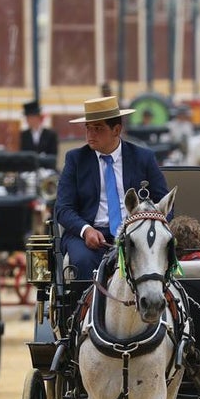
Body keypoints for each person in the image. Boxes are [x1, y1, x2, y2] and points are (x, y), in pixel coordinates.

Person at [55, 95, 169, 280]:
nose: (90, 135)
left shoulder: (143, 157)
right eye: (88, 128)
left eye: (98, 129)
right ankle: (85, 309)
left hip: (135, 233)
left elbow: (163, 203)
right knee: (82, 261)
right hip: (88, 235)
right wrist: (86, 230)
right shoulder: (75, 159)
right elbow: (63, 208)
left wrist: (150, 229)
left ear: (116, 130)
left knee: (152, 264)